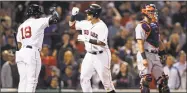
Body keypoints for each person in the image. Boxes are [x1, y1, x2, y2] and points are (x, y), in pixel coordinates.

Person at [69, 4, 116, 93]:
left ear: (95, 14)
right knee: (83, 78)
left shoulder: (102, 26)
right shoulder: (85, 23)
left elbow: (102, 43)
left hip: (102, 55)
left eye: (89, 13)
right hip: (89, 54)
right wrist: (73, 15)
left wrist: (87, 39)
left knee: (107, 83)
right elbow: (71, 25)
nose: (87, 14)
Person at [15, 4, 59, 92]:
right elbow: (55, 18)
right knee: (32, 81)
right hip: (31, 52)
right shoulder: (38, 22)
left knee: (23, 81)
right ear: (37, 14)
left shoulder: (21, 26)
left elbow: (18, 44)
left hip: (20, 53)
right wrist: (54, 11)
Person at [135, 4, 170, 93]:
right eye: (151, 11)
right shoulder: (141, 26)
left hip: (155, 54)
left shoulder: (154, 24)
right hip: (145, 54)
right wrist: (144, 58)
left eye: (153, 11)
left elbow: (158, 40)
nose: (153, 13)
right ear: (145, 12)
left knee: (163, 81)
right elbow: (140, 43)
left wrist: (163, 53)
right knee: (146, 80)